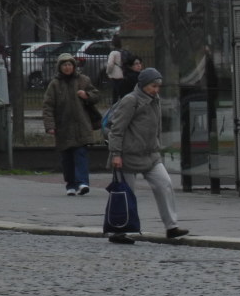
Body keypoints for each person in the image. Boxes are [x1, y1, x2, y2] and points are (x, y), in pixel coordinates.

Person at [107, 67, 189, 243]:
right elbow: (117, 129)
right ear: (143, 85)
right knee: (126, 194)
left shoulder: (155, 100)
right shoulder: (130, 100)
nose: (156, 89)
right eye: (153, 86)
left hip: (150, 154)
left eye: (158, 86)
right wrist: (116, 154)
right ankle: (119, 231)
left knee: (165, 184)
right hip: (127, 155)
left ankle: (171, 226)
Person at [42, 53, 101, 197]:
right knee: (67, 157)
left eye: (70, 65)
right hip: (63, 126)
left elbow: (97, 95)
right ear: (60, 67)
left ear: (74, 66)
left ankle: (83, 183)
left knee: (81, 154)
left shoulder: (83, 80)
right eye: (64, 65)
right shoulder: (54, 84)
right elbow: (48, 106)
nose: (67, 67)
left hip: (81, 125)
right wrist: (50, 125)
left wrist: (86, 95)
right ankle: (71, 184)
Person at [104, 35, 128, 103]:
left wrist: (108, 72)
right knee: (123, 95)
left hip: (116, 76)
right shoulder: (124, 52)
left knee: (115, 95)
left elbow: (110, 65)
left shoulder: (113, 53)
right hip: (124, 75)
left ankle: (115, 109)